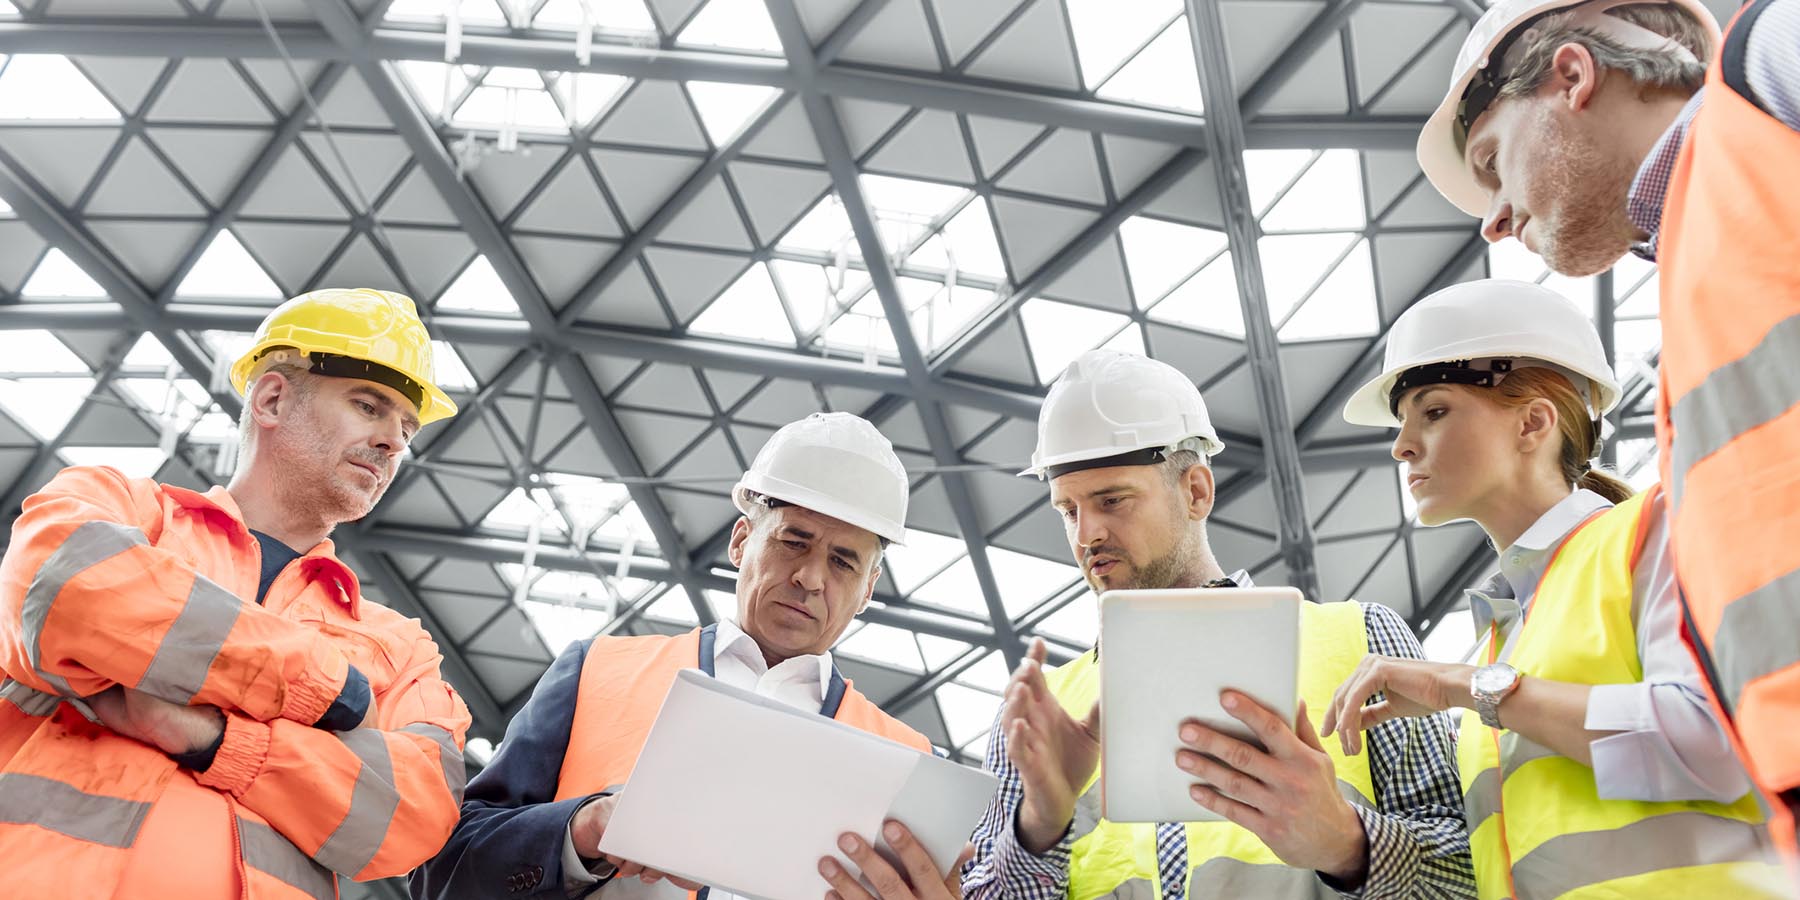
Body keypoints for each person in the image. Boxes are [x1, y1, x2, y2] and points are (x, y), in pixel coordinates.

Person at [1415, 0, 1800, 860]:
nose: (1494, 220)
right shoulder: (1702, 304)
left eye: (1491, 161)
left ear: (1573, 78)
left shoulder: (1770, 64)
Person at [0, 288, 472, 899]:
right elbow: (64, 595)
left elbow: (414, 815)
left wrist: (213, 736)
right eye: (369, 405)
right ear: (273, 397)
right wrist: (328, 689)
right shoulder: (121, 505)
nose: (395, 442)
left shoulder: (402, 647)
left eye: (407, 427)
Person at [1322, 279, 1787, 897]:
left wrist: (1461, 688)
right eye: (1403, 423)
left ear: (1533, 423)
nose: (1403, 447)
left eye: (1433, 411)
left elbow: (1716, 742)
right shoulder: (1502, 637)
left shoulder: (1655, 532)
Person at [962, 349, 1474, 899]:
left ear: (1197, 491)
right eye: (1068, 510)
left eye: (1112, 500)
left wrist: (1348, 844)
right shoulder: (1042, 709)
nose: (1087, 534)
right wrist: (1040, 826)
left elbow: (1473, 873)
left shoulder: (1362, 640)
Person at [411, 412, 968, 900]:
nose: (810, 577)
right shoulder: (598, 671)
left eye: (843, 562)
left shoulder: (908, 760)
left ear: (868, 590)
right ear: (740, 541)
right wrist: (582, 831)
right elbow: (444, 872)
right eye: (793, 541)